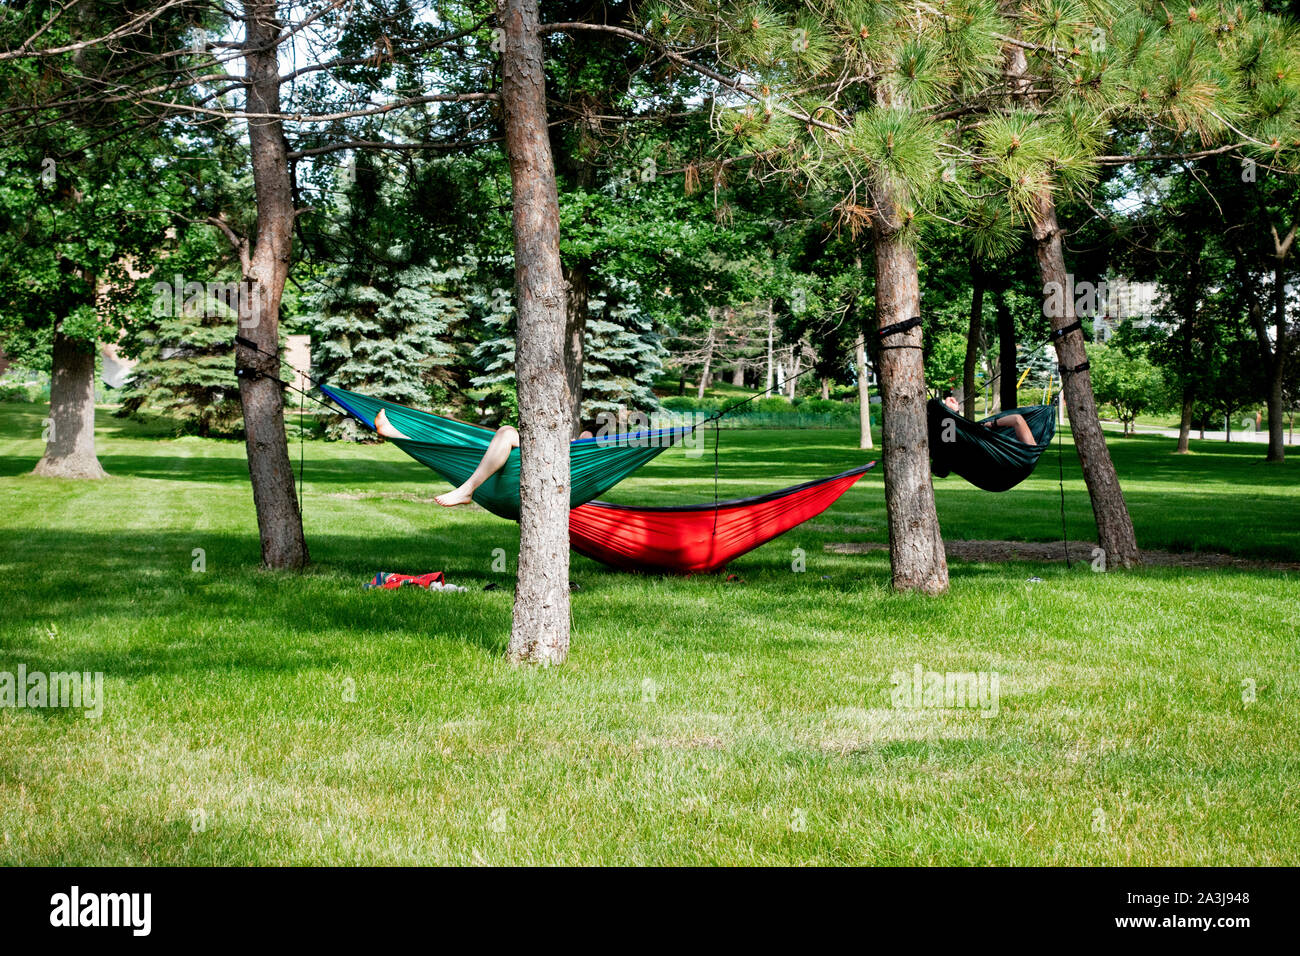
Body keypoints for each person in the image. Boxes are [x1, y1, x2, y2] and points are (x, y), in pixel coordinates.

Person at [373, 408, 592, 507]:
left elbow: (587, 440)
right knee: (462, 449)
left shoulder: (589, 446)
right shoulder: (586, 436)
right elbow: (585, 437)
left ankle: (467, 489)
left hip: (540, 469)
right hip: (523, 464)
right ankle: (396, 433)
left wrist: (576, 443)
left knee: (506, 433)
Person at [942, 394, 1035, 445]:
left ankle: (951, 413)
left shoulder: (1029, 454)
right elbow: (1016, 419)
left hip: (979, 448)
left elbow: (1017, 419)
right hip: (986, 452)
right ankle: (952, 413)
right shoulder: (1029, 455)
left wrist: (992, 424)